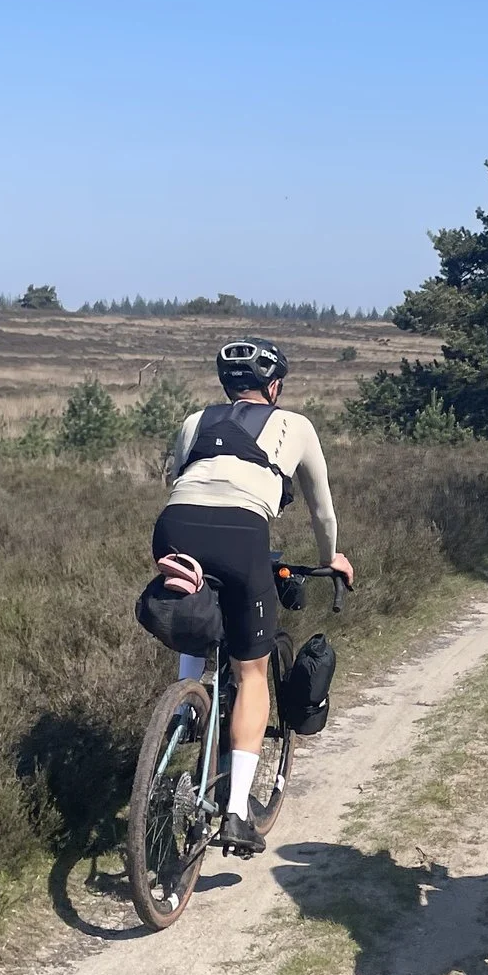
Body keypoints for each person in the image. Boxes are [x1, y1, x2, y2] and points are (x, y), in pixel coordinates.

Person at [154, 337, 353, 857]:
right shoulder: (297, 426)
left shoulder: (193, 422)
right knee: (252, 674)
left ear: (227, 385)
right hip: (242, 534)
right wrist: (331, 557)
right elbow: (322, 511)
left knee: (195, 602)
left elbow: (181, 481)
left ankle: (185, 706)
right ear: (275, 386)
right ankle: (237, 813)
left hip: (174, 524)